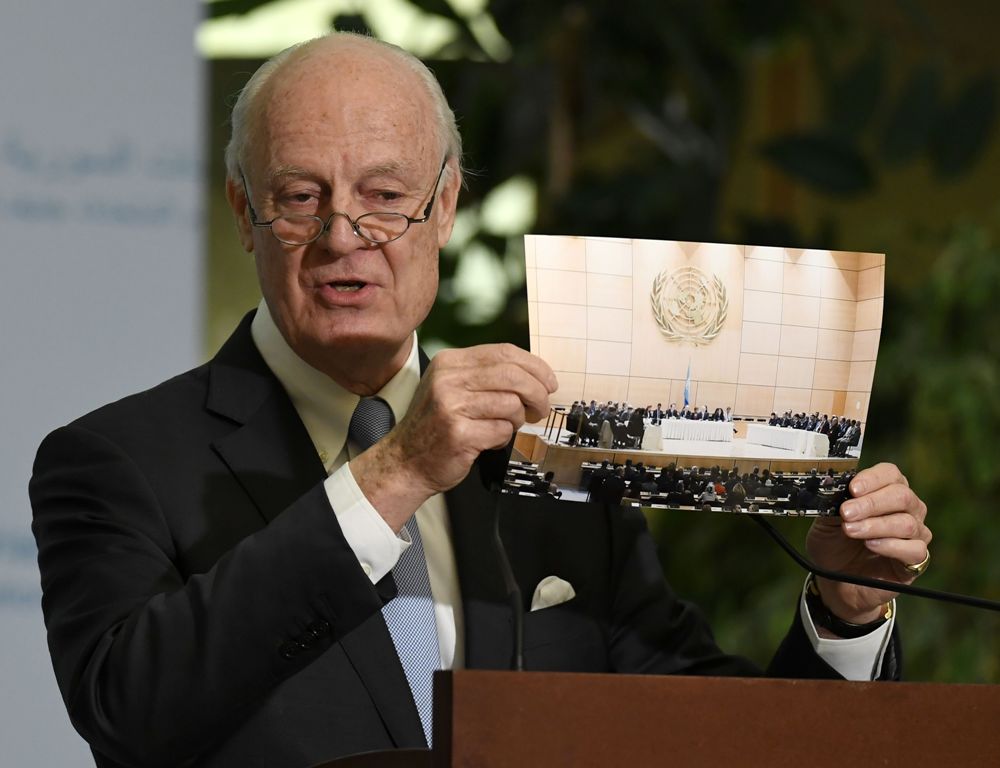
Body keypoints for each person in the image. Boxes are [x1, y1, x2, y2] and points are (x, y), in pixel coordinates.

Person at [30, 32, 932, 768]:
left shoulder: (551, 455)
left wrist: (842, 612)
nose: (345, 235)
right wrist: (394, 474)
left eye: (386, 196)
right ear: (242, 212)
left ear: (447, 204)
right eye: (301, 198)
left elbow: (709, 736)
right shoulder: (117, 461)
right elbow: (130, 712)